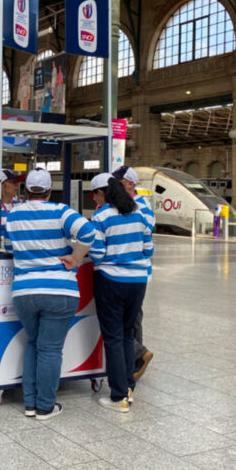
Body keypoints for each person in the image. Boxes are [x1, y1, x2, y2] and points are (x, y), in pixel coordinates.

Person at [2, 168, 95, 420]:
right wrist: (76, 257)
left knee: (33, 343)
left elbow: (9, 246)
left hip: (24, 292)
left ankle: (30, 403)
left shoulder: (13, 216)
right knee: (50, 349)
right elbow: (88, 233)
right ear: (49, 191)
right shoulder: (60, 211)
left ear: (26, 191)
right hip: (59, 290)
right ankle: (45, 406)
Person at [88, 174, 153, 413]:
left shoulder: (101, 216)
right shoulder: (138, 212)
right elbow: (148, 249)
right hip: (138, 281)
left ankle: (118, 397)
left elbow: (97, 254)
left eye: (94, 194)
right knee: (127, 335)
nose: (95, 199)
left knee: (113, 338)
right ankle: (127, 389)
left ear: (101, 193)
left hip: (111, 280)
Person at [112, 165, 155, 380]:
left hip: (135, 272)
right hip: (133, 272)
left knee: (132, 318)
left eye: (118, 183)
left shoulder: (141, 206)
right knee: (133, 317)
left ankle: (137, 357)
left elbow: (145, 238)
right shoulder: (127, 204)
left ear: (130, 184)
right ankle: (135, 357)